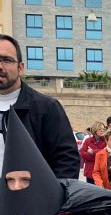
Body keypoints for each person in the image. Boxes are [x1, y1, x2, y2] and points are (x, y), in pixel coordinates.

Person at [0, 34, 80, 178]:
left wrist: (50, 199)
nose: (0, 66)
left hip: (29, 199)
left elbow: (67, 161)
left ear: (20, 68)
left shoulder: (47, 108)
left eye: (6, 60)